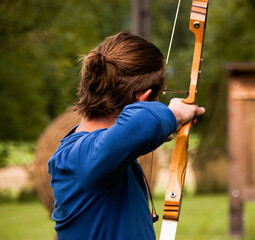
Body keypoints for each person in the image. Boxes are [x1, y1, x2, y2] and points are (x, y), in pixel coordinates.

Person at [48, 32, 205, 240]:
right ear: (143, 98)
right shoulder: (78, 159)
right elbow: (142, 123)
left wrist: (166, 125)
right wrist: (174, 113)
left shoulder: (104, 157)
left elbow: (136, 128)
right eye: (158, 98)